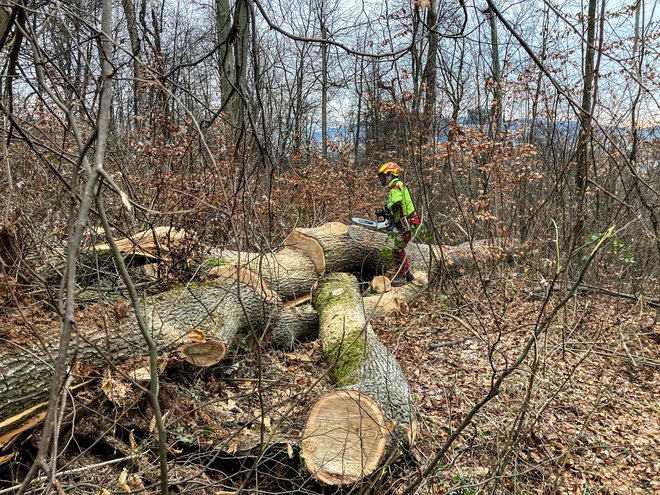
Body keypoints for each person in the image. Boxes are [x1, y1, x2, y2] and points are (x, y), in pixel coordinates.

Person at [377, 162, 421, 286]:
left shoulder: (396, 186)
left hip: (408, 222)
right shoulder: (398, 186)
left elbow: (396, 204)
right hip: (407, 222)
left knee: (397, 249)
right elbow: (397, 209)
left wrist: (386, 207)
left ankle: (402, 276)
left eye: (384, 176)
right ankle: (407, 274)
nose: (383, 179)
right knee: (398, 247)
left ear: (390, 175)